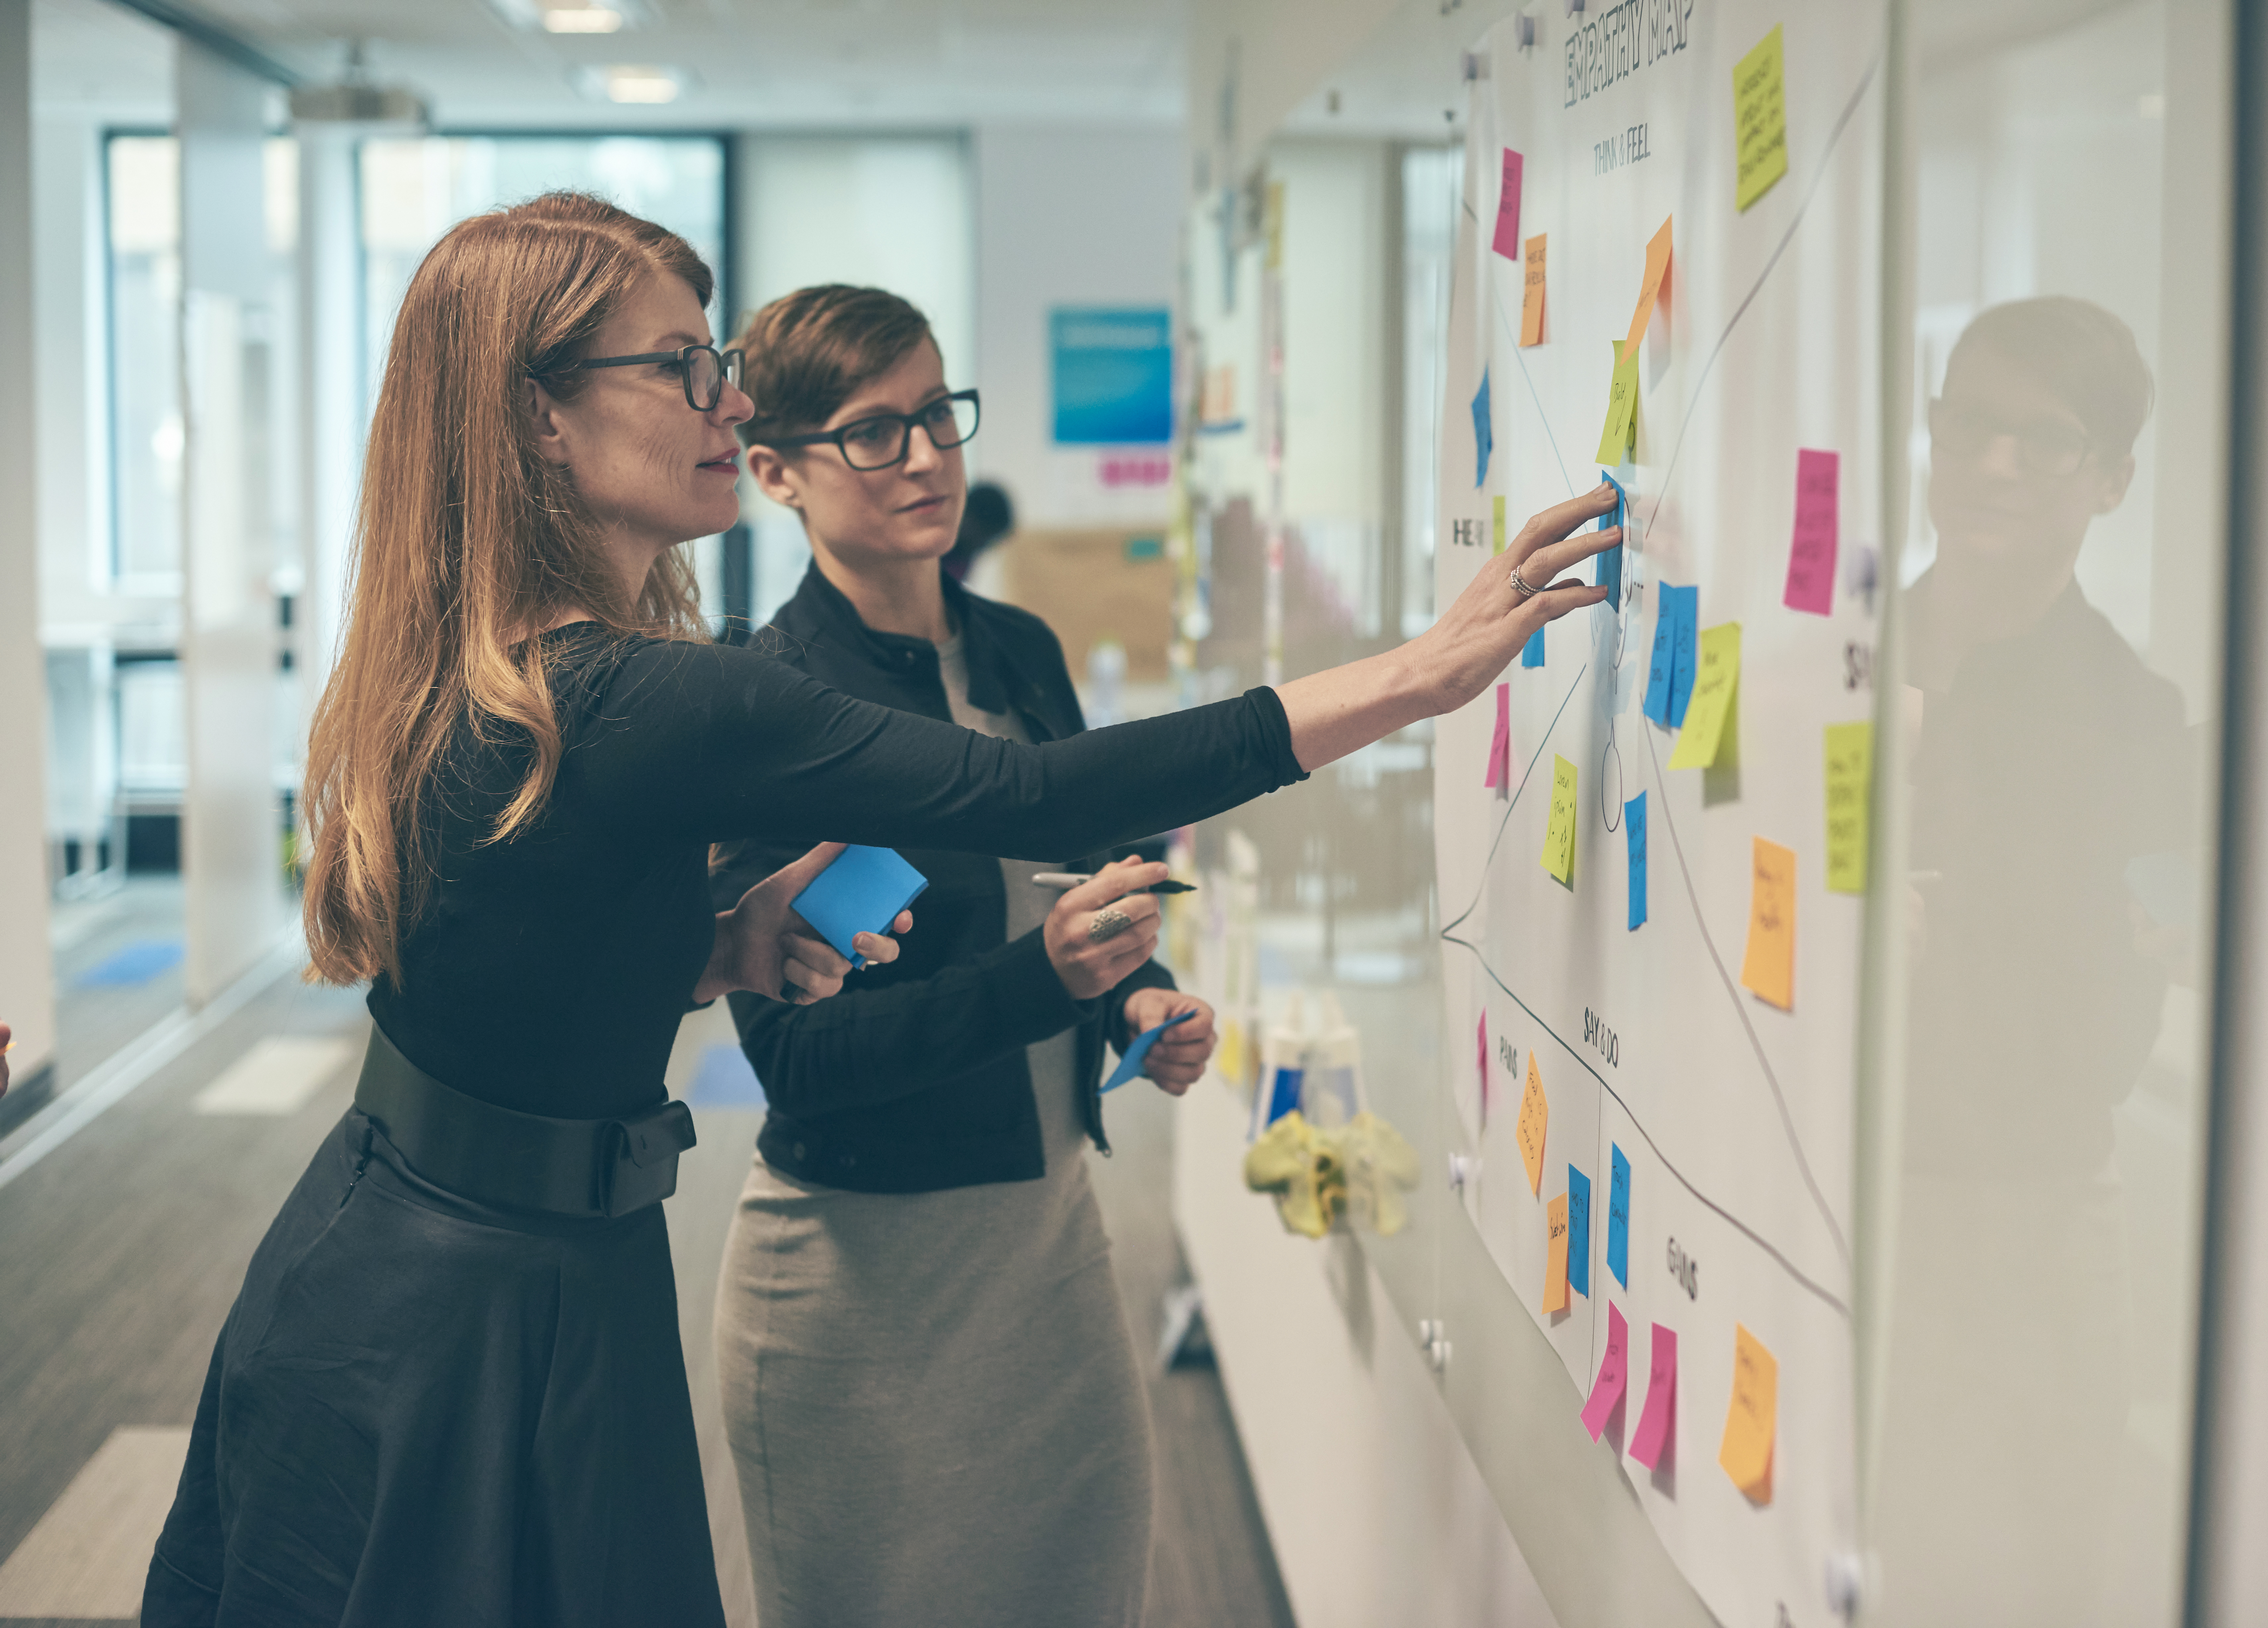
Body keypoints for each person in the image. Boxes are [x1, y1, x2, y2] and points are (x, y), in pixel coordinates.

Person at [141, 191, 1618, 1627]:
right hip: (467, 1301)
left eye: (714, 361)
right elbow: (1037, 801)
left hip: (435, 1235)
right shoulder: (653, 690)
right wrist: (1415, 677)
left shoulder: (513, 666)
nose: (723, 402)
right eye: (681, 367)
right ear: (540, 415)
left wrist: (710, 948)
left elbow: (501, 957)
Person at [709, 284, 1206, 1627]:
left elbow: (1073, 884)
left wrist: (1134, 998)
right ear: (775, 474)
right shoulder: (772, 713)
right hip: (861, 1274)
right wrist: (1050, 974)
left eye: (937, 412)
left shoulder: (1019, 651)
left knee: (1084, 1589)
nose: (927, 455)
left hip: (1047, 1237)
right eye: (875, 432)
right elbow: (801, 1058)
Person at [1873, 296, 2193, 1622]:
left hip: (2022, 1226)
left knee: (2016, 1579)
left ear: (2110, 481)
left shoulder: (2133, 725)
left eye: (2043, 441)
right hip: (1829, 1189)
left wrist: (1922, 959)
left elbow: (2099, 1039)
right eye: (1969, 424)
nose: (1994, 464)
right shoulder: (1827, 663)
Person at [942, 477, 1014, 580]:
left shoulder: (962, 559)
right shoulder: (934, 550)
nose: (983, 546)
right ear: (968, 515)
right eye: (985, 537)